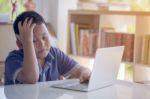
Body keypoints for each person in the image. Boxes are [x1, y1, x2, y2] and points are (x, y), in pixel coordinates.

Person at [4, 11, 91, 85]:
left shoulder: (55, 54)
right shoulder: (13, 60)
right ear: (20, 45)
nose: (42, 44)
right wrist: (27, 41)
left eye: (44, 37)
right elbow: (31, 77)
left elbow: (78, 69)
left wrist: (86, 72)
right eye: (33, 41)